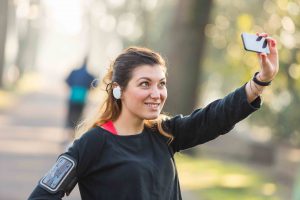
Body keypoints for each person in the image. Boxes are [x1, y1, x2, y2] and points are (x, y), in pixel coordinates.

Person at [28, 33, 279, 200]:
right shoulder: (92, 144)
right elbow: (43, 194)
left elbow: (215, 117)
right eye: (145, 84)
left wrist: (261, 81)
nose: (156, 94)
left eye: (161, 84)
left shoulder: (165, 133)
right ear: (119, 89)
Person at [65, 58, 95, 138]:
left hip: (73, 96)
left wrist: (73, 86)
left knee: (71, 114)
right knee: (79, 115)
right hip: (82, 98)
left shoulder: (74, 72)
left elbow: (67, 81)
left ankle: (70, 130)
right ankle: (75, 131)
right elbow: (94, 84)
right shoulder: (89, 74)